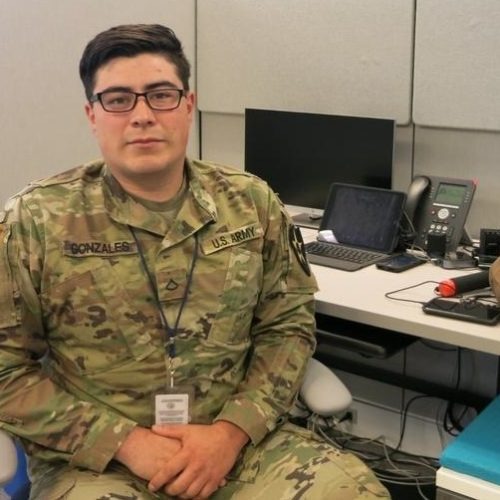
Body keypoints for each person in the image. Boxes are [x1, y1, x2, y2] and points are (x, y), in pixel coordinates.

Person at [0, 24, 389, 499]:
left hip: (242, 450)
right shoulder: (37, 219)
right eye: (119, 99)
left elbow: (287, 329)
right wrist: (126, 443)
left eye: (161, 95)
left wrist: (230, 433)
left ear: (187, 104)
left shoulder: (251, 203)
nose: (142, 115)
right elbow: (5, 369)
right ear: (92, 115)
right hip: (100, 463)